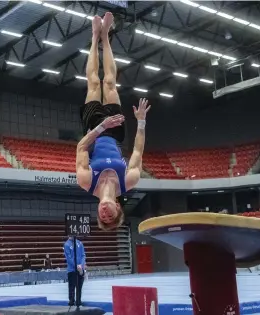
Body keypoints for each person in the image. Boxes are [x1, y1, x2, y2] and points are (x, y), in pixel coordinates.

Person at [76, 12, 150, 231]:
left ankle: (94, 36)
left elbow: (81, 146)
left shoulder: (86, 182)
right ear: (119, 208)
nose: (105, 214)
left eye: (102, 218)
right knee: (109, 83)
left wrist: (100, 128)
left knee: (93, 84)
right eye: (111, 217)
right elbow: (137, 152)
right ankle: (106, 36)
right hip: (116, 132)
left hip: (93, 129)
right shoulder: (129, 182)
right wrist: (142, 122)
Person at [64, 236, 86, 308]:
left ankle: (78, 301)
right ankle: (71, 302)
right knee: (72, 287)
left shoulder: (80, 243)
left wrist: (81, 265)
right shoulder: (67, 244)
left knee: (79, 287)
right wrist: (76, 266)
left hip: (80, 269)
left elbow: (83, 255)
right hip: (72, 270)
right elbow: (69, 258)